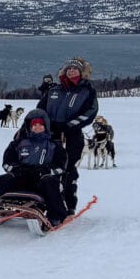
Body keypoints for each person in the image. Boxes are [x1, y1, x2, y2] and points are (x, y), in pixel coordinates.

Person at [0, 108, 69, 226]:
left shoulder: (54, 145)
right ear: (29, 126)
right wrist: (17, 169)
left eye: (40, 125)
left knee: (49, 182)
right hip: (21, 178)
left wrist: (45, 170)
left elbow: (61, 167)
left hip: (41, 180)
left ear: (46, 126)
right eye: (34, 125)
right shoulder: (18, 143)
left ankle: (56, 215)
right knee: (1, 180)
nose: (37, 128)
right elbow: (6, 163)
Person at [39, 58, 98, 215]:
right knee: (43, 167)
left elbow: (90, 112)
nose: (71, 71)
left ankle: (67, 204)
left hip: (72, 136)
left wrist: (70, 125)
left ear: (81, 72)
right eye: (68, 69)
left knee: (66, 169)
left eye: (75, 69)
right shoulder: (54, 90)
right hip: (50, 135)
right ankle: (40, 199)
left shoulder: (87, 91)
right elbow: (40, 110)